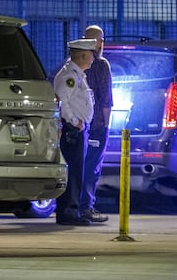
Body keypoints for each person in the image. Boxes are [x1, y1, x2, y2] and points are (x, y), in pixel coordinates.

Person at [53, 37, 97, 226]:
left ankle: (72, 210)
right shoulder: (71, 77)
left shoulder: (77, 75)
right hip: (72, 131)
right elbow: (62, 100)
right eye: (90, 55)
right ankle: (69, 213)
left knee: (76, 172)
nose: (93, 59)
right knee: (73, 173)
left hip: (76, 130)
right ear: (82, 56)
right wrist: (74, 121)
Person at [78, 25, 113, 224]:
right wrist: (106, 126)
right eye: (101, 39)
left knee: (78, 166)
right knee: (92, 168)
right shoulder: (100, 64)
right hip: (97, 124)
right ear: (98, 41)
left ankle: (74, 205)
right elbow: (106, 98)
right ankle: (86, 207)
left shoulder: (74, 62)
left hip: (77, 123)